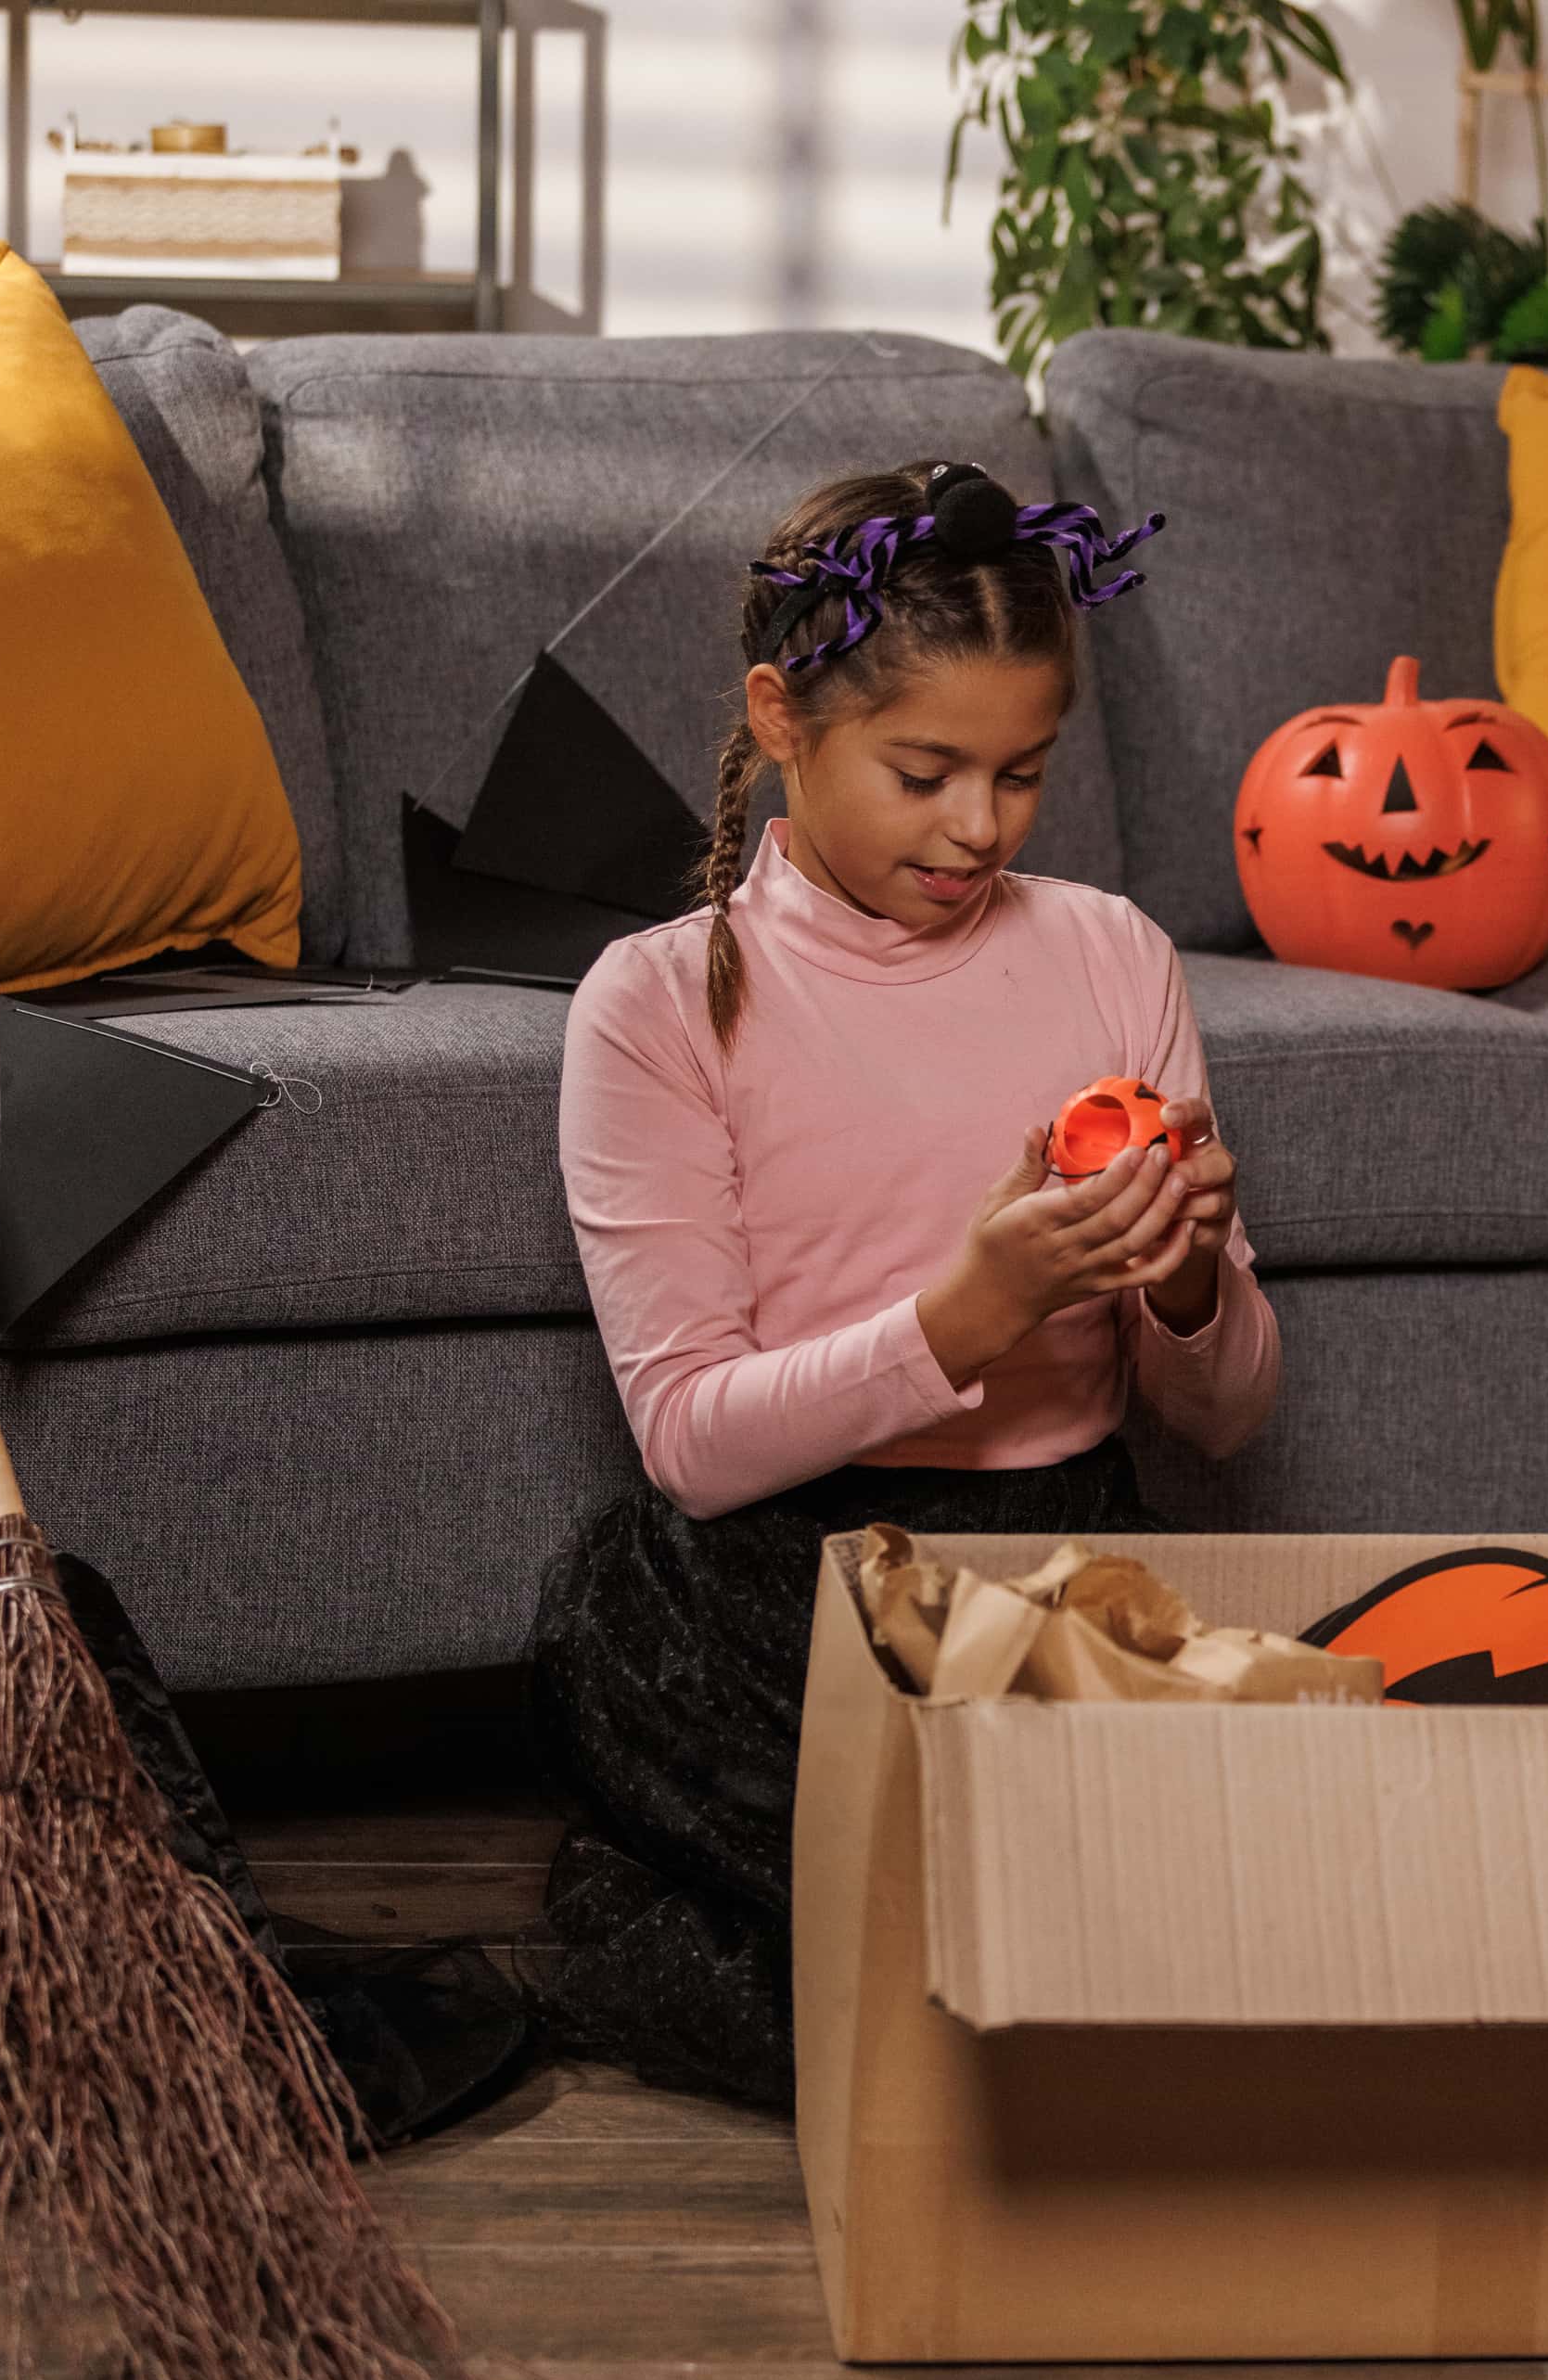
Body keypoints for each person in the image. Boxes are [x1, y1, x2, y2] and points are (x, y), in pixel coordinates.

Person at [526, 461, 1277, 2108]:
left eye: (1021, 773)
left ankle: (821, 1921)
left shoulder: (1110, 954)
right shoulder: (655, 1005)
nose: (978, 827)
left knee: (1120, 1944)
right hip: (775, 1583)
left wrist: (1192, 1282)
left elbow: (1220, 1420)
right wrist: (967, 1316)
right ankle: (720, 1924)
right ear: (782, 716)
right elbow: (691, 1438)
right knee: (956, 1985)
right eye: (924, 769)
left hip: (1055, 1561)